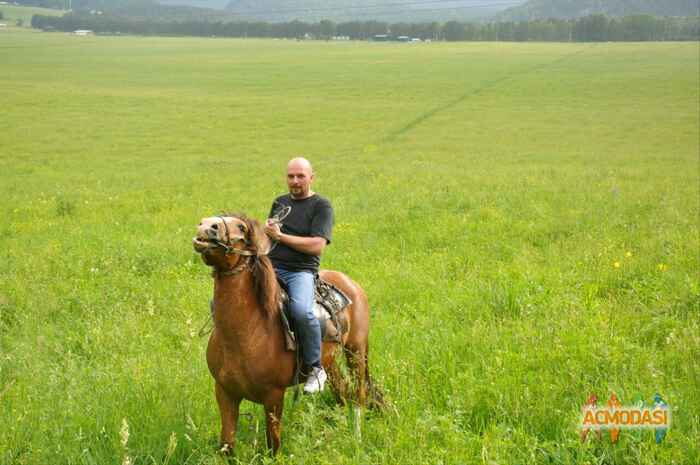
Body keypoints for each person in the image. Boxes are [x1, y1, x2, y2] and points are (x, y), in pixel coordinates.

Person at [264, 157, 334, 393]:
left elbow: (317, 246)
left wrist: (281, 237)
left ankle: (316, 368)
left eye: (300, 176)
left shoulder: (321, 206)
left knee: (301, 312)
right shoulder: (279, 202)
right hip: (270, 266)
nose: (295, 181)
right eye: (291, 176)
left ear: (311, 177)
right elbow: (270, 238)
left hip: (300, 271)